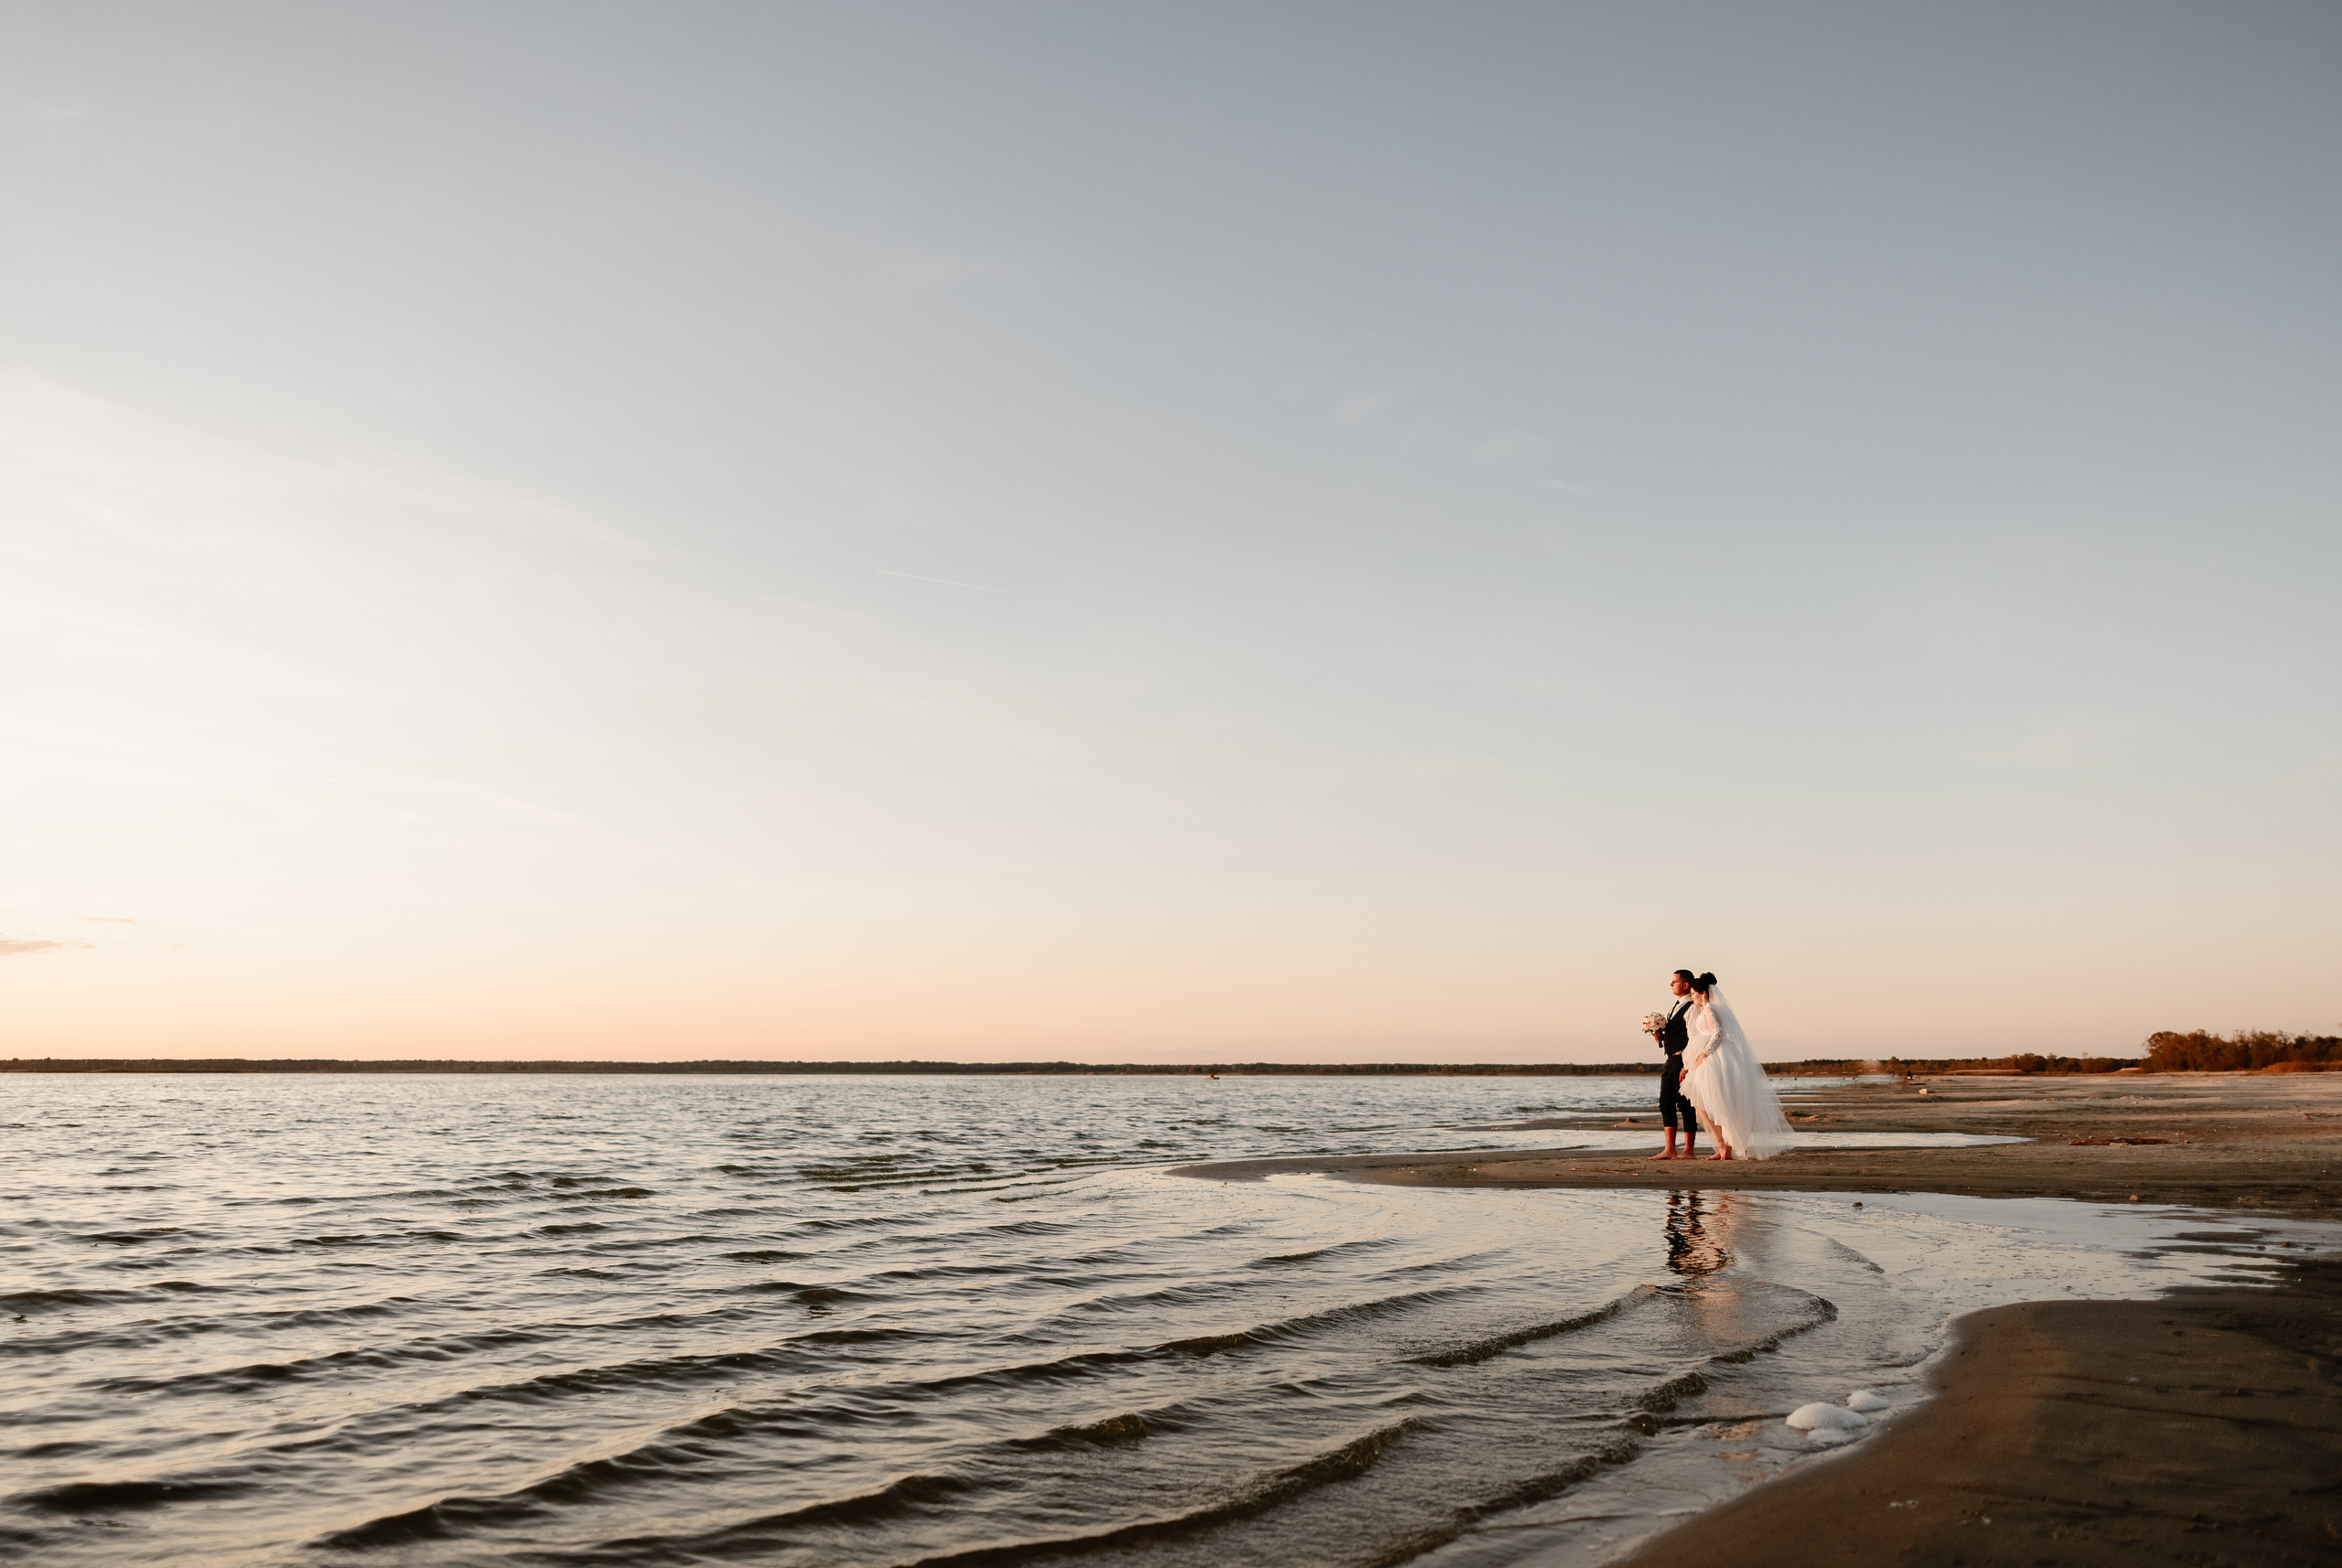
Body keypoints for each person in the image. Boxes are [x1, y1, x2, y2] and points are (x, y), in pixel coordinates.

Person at [1679, 972, 1795, 1160]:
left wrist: (1704, 1054)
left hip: (1716, 1058)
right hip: (1714, 1057)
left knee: (1711, 1101)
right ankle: (1723, 1145)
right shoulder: (1705, 1009)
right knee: (1704, 1100)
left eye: (1692, 993)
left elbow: (1717, 1033)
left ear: (1702, 993)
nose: (1690, 997)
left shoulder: (1709, 1009)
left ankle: (1724, 1146)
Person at [1646, 970, 1700, 1160]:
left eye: (1674, 981)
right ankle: (1670, 1149)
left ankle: (1689, 1150)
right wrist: (1660, 1036)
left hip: (1683, 1059)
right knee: (1665, 1103)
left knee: (1685, 1103)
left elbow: (1694, 1036)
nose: (1671, 984)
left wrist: (1688, 1064)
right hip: (1670, 1059)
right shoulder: (1676, 1006)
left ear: (1685, 985)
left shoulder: (1692, 1006)